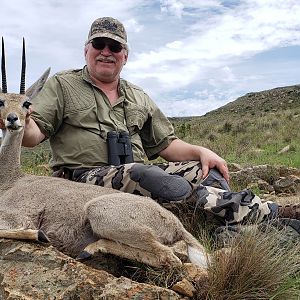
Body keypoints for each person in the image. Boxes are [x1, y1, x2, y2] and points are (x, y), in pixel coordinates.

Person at [3, 17, 299, 226]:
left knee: (205, 172)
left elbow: (168, 145)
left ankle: (231, 224)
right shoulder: (62, 85)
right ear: (86, 50)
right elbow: (32, 136)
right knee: (147, 175)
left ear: (125, 56)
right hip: (84, 180)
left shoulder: (138, 96)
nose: (106, 51)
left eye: (114, 47)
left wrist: (201, 152)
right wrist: (13, 118)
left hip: (138, 172)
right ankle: (273, 214)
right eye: (99, 44)